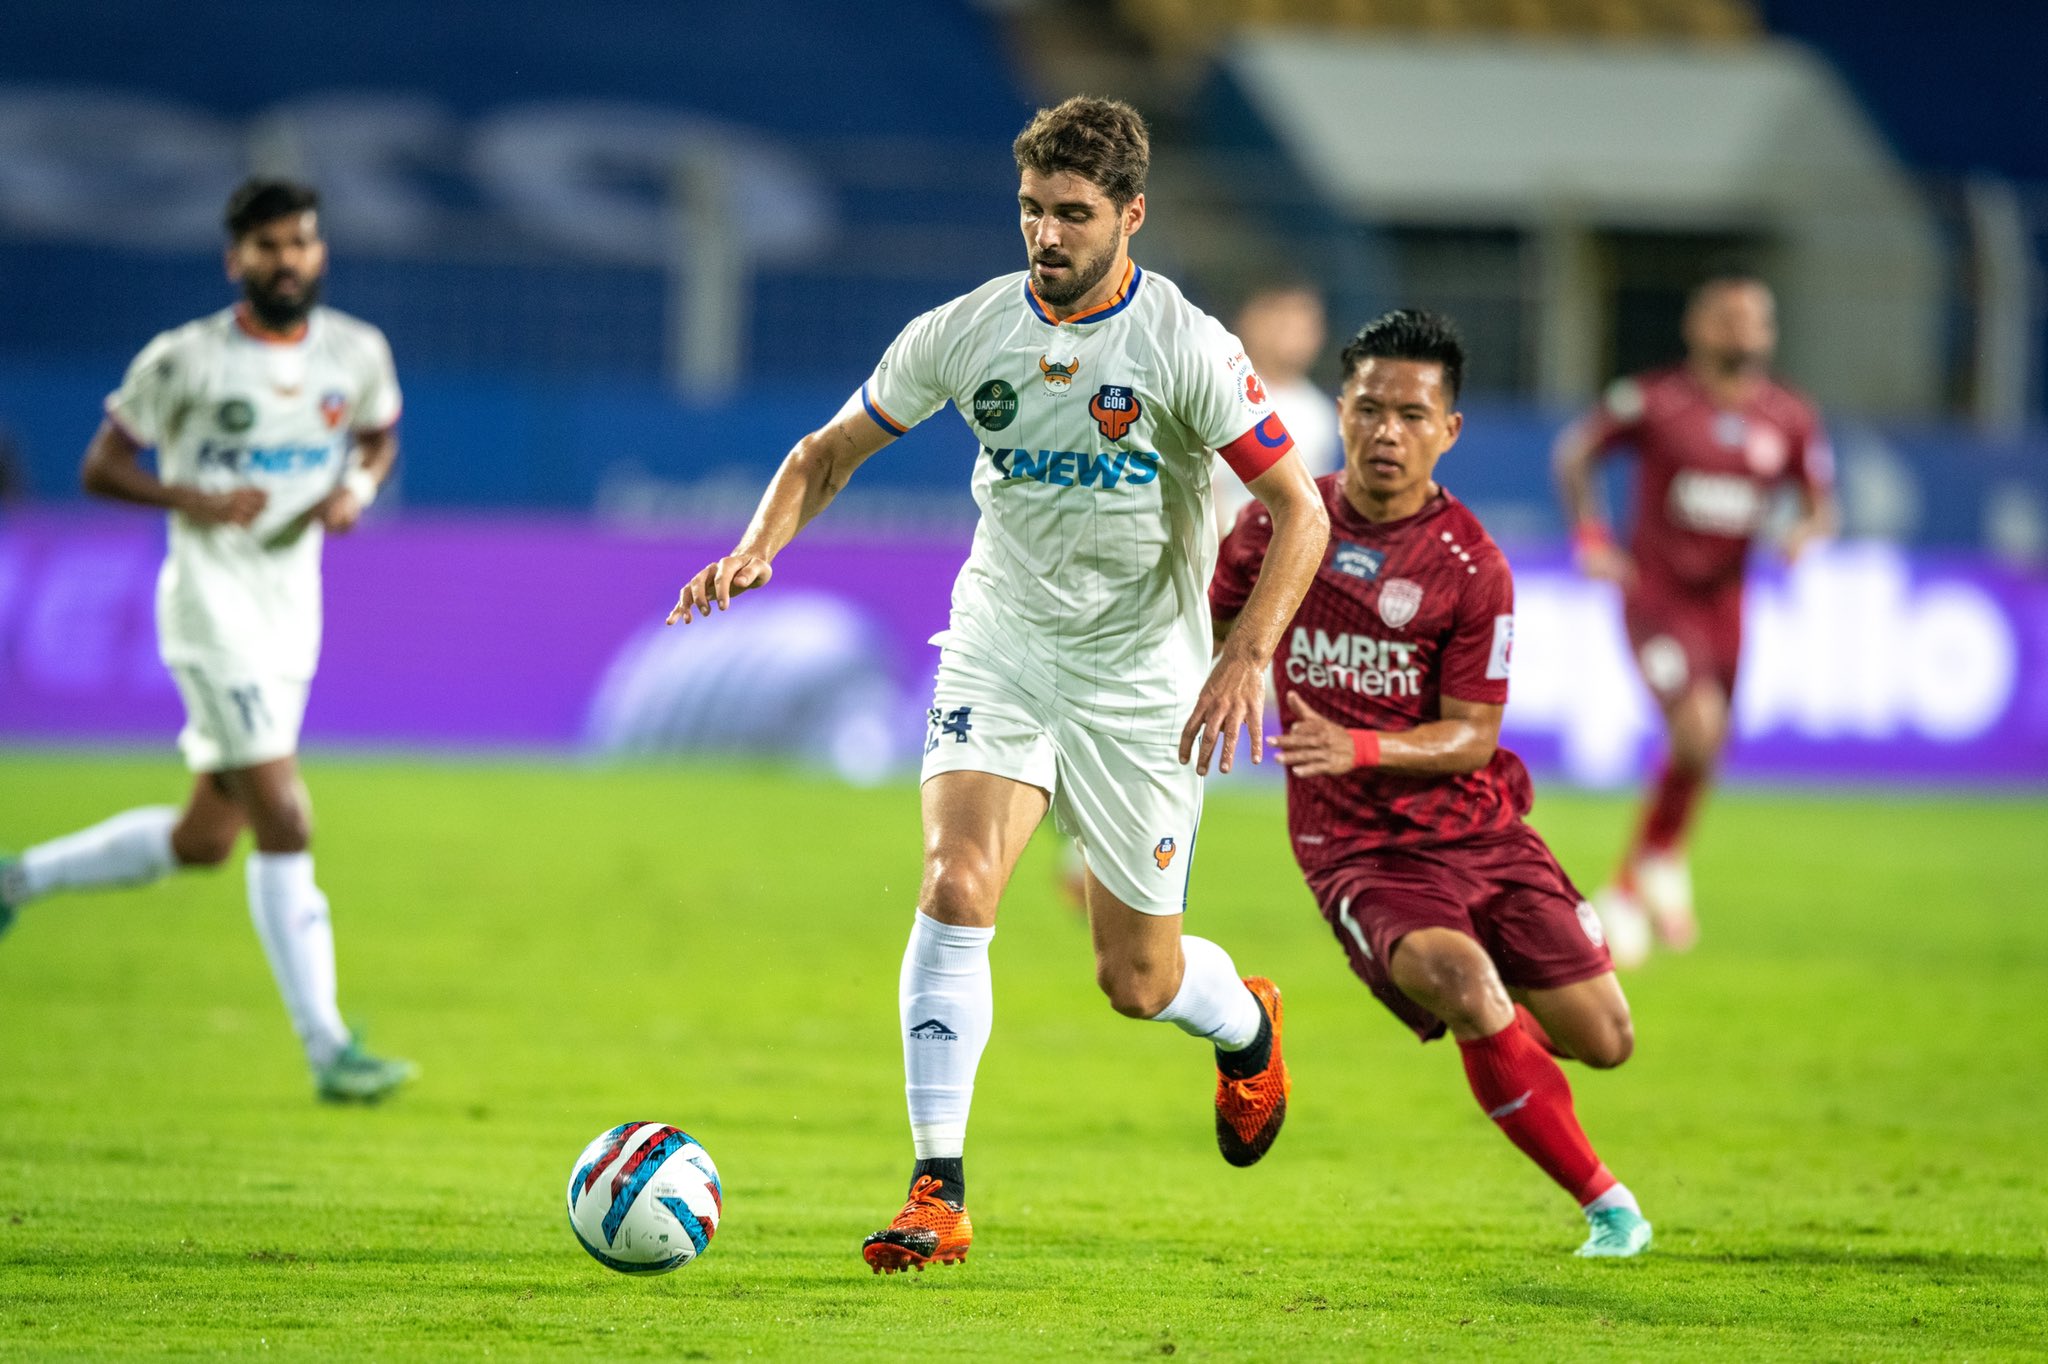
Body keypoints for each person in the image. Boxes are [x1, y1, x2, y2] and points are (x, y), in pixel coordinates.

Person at [666, 96, 1331, 1273]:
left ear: (1131, 214)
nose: (1046, 235)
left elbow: (1299, 511)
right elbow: (825, 452)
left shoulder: (1184, 345)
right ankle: (936, 1186)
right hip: (1001, 643)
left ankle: (1245, 1022)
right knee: (954, 878)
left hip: (1141, 679)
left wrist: (1242, 656)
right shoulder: (967, 330)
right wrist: (761, 543)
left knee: (1136, 977)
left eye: (1072, 213)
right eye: (1030, 209)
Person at [1212, 309, 1653, 1258]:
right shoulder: (1281, 525)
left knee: (1605, 1038)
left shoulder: (1472, 567)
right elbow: (1203, 637)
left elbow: (1471, 734)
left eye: (1413, 415)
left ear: (1449, 429)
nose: (1386, 432)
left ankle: (1499, 1029)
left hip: (1481, 830)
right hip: (1356, 848)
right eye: (1369, 408)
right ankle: (1609, 1205)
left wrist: (1359, 747)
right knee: (1464, 983)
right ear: (1340, 410)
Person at [0, 179, 416, 1104]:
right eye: (267, 247)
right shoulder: (185, 360)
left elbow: (382, 437)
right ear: (235, 260)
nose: (286, 260)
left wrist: (358, 489)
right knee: (288, 817)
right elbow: (101, 467)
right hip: (210, 611)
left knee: (204, 839)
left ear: (319, 253)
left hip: (290, 614)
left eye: (300, 243)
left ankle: (14, 881)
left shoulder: (356, 353)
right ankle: (330, 1049)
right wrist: (193, 498)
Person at [1552, 268, 1835, 963]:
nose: (1742, 329)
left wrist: (1806, 531)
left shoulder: (1790, 416)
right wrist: (1592, 537)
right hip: (1657, 597)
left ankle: (1634, 877)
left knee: (1708, 747)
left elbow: (1821, 500)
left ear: (1769, 332)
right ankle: (1658, 862)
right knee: (1698, 728)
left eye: (1755, 318)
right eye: (1727, 316)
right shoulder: (1656, 400)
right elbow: (1575, 454)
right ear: (1698, 326)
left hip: (1729, 606)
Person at [1212, 281, 1341, 536]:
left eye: (1305, 326)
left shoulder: (1320, 414)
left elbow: (1313, 507)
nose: (1294, 336)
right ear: (1250, 321)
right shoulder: (1217, 389)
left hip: (1278, 561)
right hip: (1212, 557)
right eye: (1282, 323)